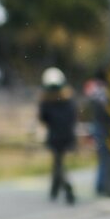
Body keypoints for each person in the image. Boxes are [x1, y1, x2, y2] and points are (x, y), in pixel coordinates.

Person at [38, 67, 77, 205]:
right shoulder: (68, 98)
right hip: (67, 134)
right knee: (58, 162)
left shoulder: (47, 101)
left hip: (55, 135)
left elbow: (43, 118)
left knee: (59, 163)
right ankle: (54, 189)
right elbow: (73, 116)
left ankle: (67, 187)